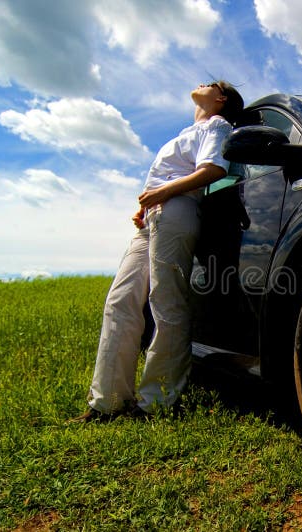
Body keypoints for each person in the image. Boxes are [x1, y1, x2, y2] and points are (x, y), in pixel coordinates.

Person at [70, 81, 244, 422]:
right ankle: (106, 402)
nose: (201, 85)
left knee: (165, 301)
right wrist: (149, 203)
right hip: (155, 216)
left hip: (177, 211)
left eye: (210, 84)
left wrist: (161, 193)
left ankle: (157, 402)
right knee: (121, 301)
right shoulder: (189, 131)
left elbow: (213, 170)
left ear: (220, 99)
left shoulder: (218, 125)